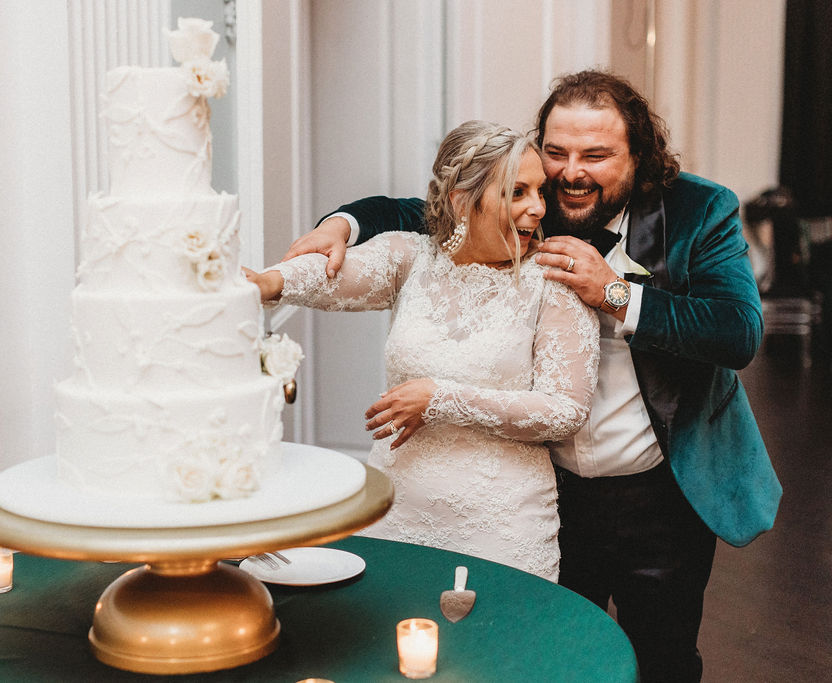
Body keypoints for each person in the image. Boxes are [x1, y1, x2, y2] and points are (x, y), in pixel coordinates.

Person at [283, 70, 782, 683]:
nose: (572, 172)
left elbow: (736, 331)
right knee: (550, 655)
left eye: (596, 155)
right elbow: (428, 210)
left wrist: (617, 293)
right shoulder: (532, 208)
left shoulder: (699, 211)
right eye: (557, 152)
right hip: (554, 490)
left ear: (640, 158)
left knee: (664, 658)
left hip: (661, 493)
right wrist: (343, 222)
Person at [247, 121, 599, 581]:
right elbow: (330, 277)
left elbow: (565, 410)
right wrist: (266, 283)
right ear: (461, 202)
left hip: (500, 523)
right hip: (397, 506)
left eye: (539, 192)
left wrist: (441, 399)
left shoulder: (554, 282)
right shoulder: (411, 257)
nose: (537, 208)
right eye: (517, 193)